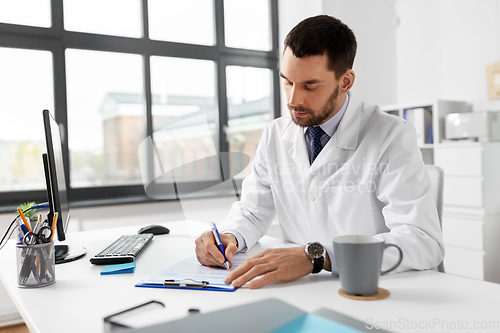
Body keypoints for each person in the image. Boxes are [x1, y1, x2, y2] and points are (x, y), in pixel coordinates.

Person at [195, 15, 445, 289]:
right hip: (303, 291)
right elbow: (253, 211)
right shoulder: (276, 135)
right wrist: (230, 237)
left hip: (372, 288)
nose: (293, 100)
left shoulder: (391, 135)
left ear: (346, 81)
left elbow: (423, 240)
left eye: (309, 85)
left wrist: (318, 256)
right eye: (287, 82)